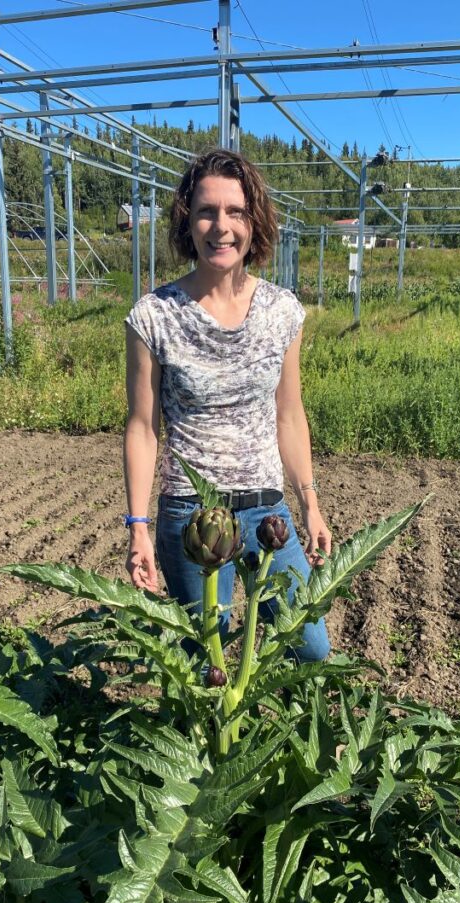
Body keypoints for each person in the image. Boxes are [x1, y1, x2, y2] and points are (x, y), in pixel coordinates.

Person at [123, 148, 330, 662]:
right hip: (191, 515)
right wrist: (137, 527)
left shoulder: (282, 311)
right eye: (207, 211)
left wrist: (310, 504)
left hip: (267, 509)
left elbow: (289, 414)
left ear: (253, 222)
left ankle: (283, 739)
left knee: (309, 647)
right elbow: (144, 429)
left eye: (235, 212)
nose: (222, 227)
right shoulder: (154, 316)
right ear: (187, 222)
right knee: (204, 660)